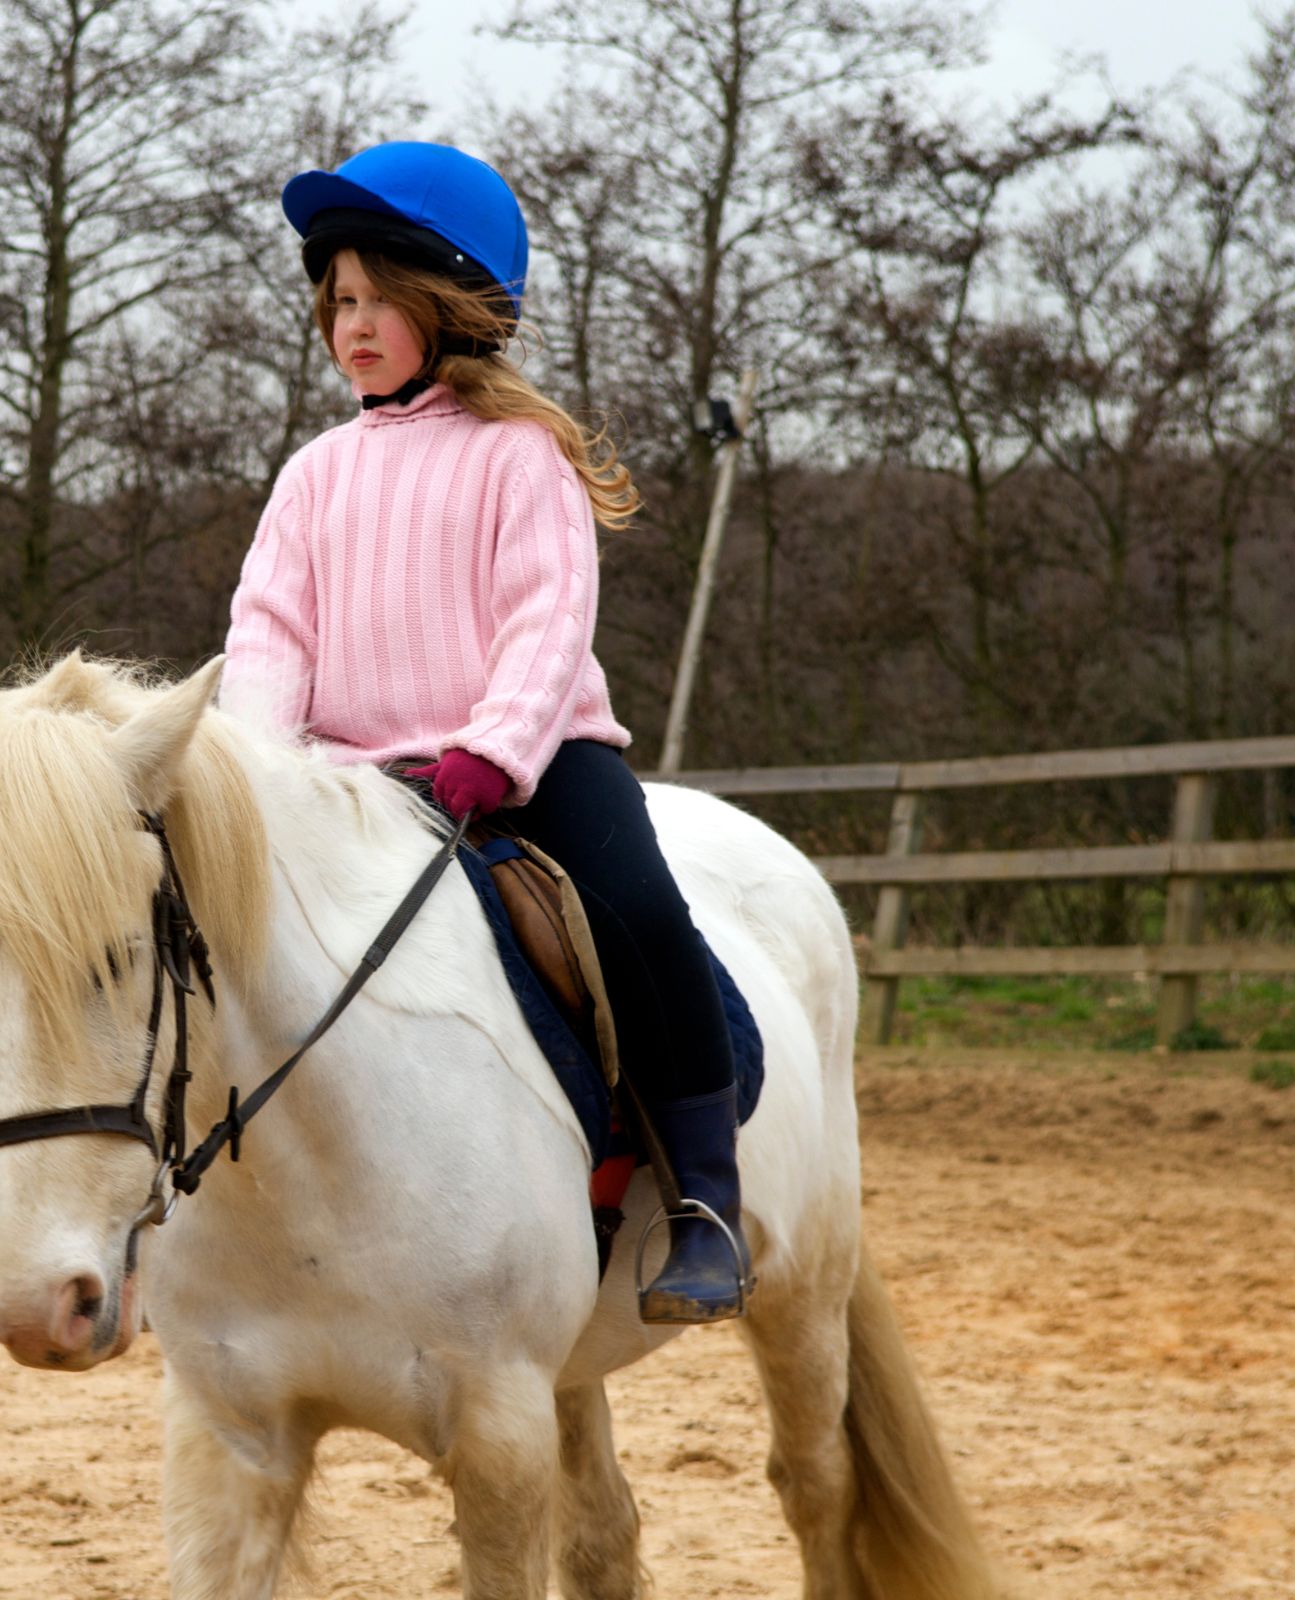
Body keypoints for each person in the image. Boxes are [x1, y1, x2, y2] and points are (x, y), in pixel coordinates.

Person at [219, 141, 749, 1324]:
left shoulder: (522, 455)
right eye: (337, 300)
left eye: (376, 300)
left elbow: (546, 621)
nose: (351, 324)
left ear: (450, 306)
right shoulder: (311, 476)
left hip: (525, 763)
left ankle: (706, 1199)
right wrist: (254, 776)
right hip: (352, 782)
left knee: (639, 913)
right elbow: (265, 635)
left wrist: (494, 748)